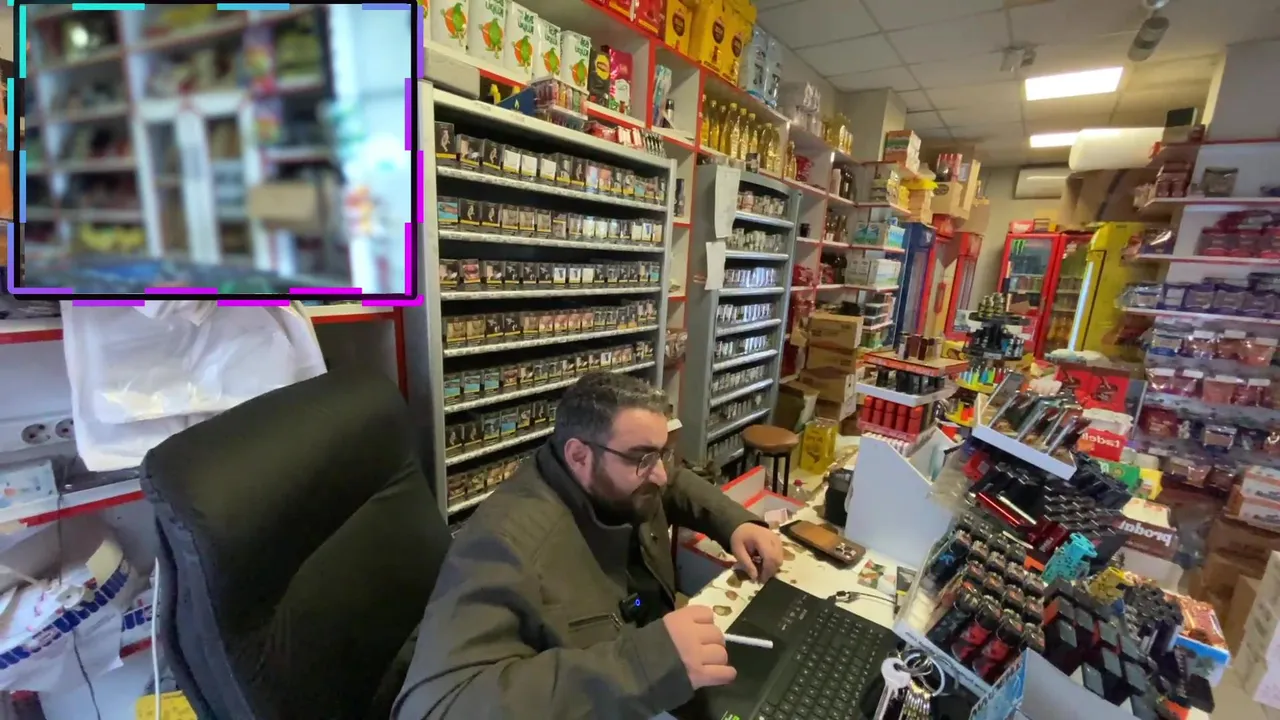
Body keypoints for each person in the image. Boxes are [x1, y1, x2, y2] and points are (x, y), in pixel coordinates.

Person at [394, 372, 786, 719]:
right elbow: (434, 707)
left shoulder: (617, 477)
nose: (661, 475)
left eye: (662, 453)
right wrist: (643, 665)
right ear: (579, 455)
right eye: (643, 458)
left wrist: (735, 523)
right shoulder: (504, 543)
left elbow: (676, 482)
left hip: (652, 678)